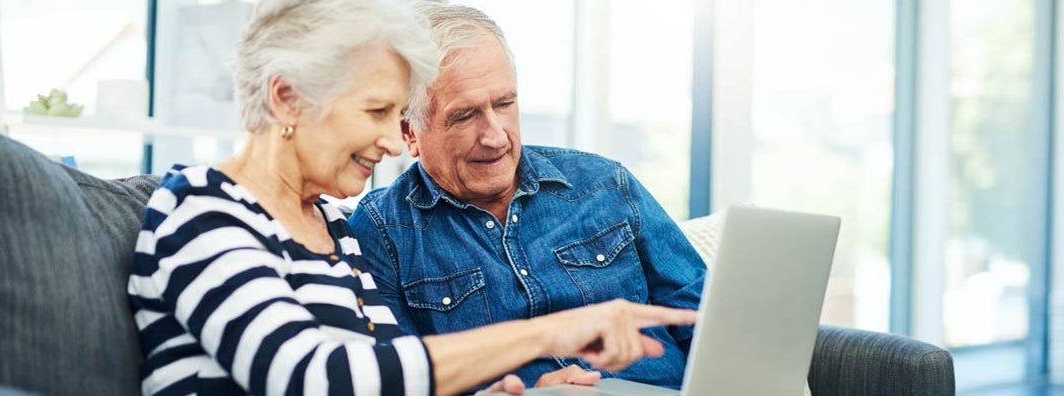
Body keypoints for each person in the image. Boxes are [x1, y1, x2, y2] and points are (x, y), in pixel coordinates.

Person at [126, 1, 696, 395]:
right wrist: (551, 332)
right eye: (377, 112)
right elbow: (311, 379)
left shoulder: (330, 231)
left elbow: (397, 375)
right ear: (287, 99)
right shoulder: (200, 210)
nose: (389, 140)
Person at [347, 2, 709, 391]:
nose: (496, 136)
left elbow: (705, 320)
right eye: (465, 116)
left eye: (504, 104)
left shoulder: (605, 183)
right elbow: (400, 381)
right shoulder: (382, 233)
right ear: (409, 133)